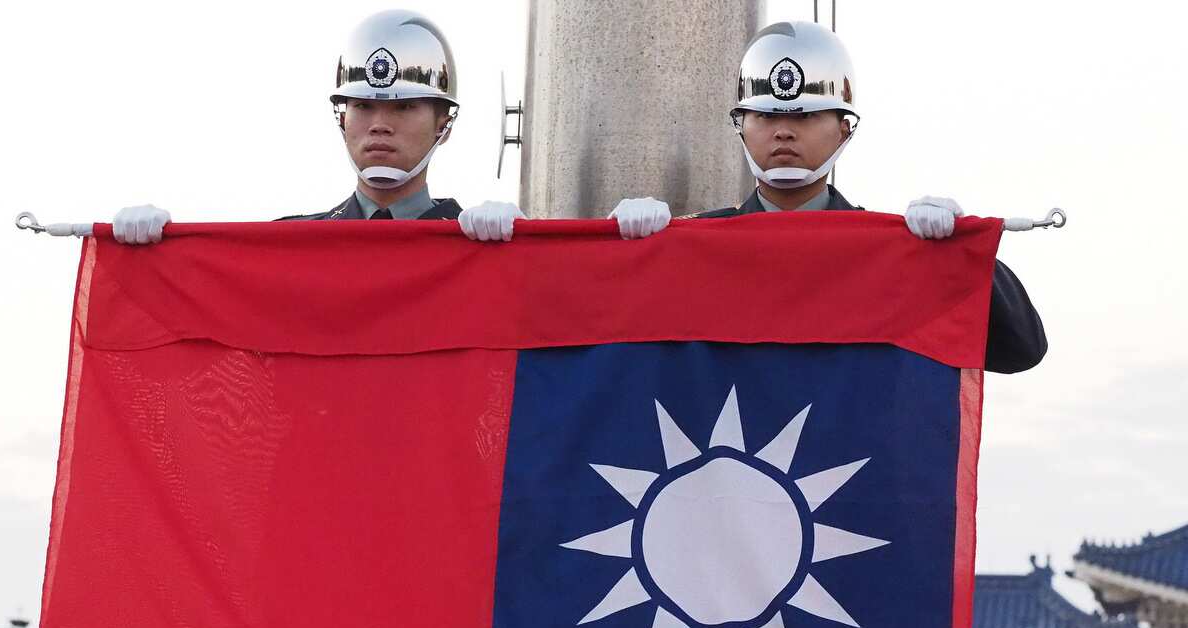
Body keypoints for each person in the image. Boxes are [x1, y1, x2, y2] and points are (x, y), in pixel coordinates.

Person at [675, 20, 1046, 373]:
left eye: (804, 117)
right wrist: (630, 251)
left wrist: (958, 253)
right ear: (741, 124)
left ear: (843, 129)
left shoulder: (891, 253)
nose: (783, 132)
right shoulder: (692, 252)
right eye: (767, 117)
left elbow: (1021, 348)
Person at [112, 10, 666, 245]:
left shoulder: (478, 240)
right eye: (364, 107)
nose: (380, 124)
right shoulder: (293, 243)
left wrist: (630, 251)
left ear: (443, 122)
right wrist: (156, 260)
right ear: (341, 116)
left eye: (403, 108)